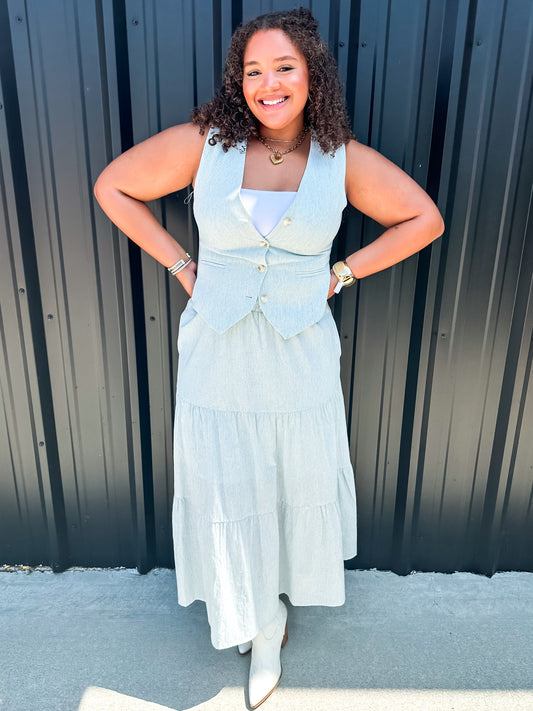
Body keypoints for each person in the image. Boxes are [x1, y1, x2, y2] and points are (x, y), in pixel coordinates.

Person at [94, 7, 443, 708]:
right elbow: (114, 187)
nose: (268, 83)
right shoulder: (206, 144)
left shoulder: (341, 159)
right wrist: (183, 265)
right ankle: (251, 614)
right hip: (217, 350)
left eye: (284, 67)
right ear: (239, 81)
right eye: (253, 70)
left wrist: (340, 274)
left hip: (297, 351)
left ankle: (268, 617)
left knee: (288, 476)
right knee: (227, 480)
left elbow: (423, 219)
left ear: (312, 75)